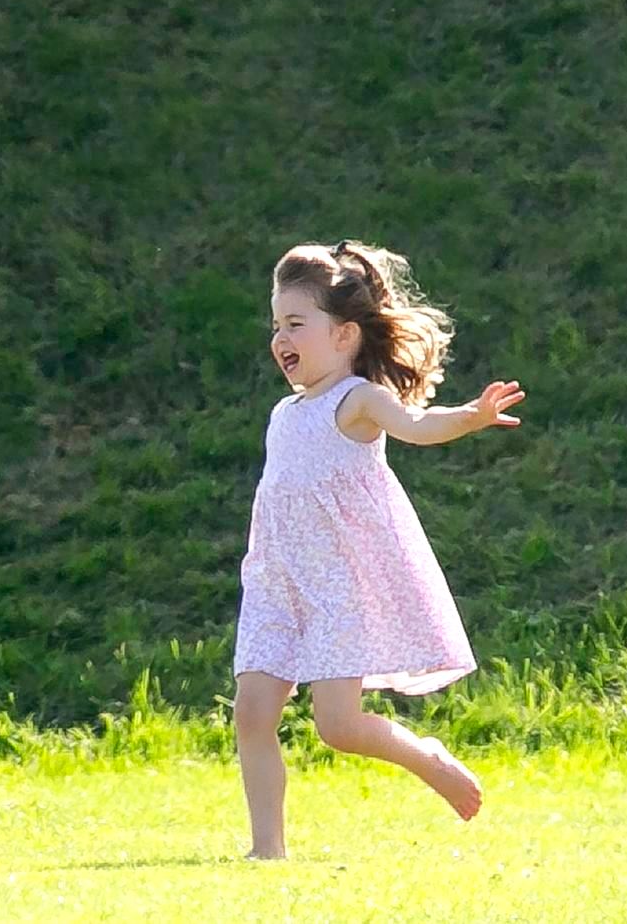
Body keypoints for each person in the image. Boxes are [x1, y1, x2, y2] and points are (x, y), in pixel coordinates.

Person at [232, 239, 526, 859]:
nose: (281, 338)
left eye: (296, 324)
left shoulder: (356, 401)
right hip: (276, 583)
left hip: (337, 586)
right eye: (276, 325)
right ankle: (267, 851)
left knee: (337, 726)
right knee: (252, 715)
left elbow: (419, 425)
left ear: (344, 335)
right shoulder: (284, 413)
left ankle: (427, 756)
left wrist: (470, 416)